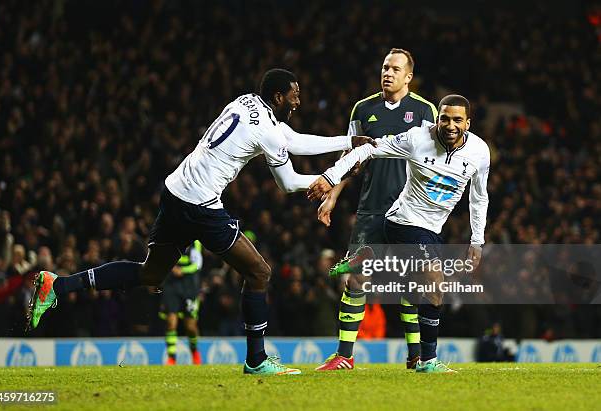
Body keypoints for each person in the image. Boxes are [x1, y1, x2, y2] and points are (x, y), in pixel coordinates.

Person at [27, 68, 373, 375]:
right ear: (278, 96)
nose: (298, 103)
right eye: (294, 97)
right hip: (201, 206)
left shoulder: (246, 102)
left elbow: (293, 141)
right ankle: (256, 359)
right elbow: (287, 182)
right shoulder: (267, 130)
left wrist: (346, 143)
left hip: (175, 190)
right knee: (259, 272)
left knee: (150, 273)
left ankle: (57, 286)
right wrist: (330, 176)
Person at [309, 94, 490, 373]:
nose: (450, 125)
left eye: (457, 120)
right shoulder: (417, 138)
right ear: (437, 119)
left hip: (431, 230)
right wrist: (331, 178)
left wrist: (477, 240)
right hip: (404, 221)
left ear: (468, 122)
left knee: (419, 287)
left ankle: (377, 261)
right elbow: (367, 149)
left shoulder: (479, 152)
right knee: (433, 278)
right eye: (444, 118)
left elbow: (479, 197)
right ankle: (428, 361)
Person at [315, 48, 437, 371]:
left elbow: (433, 160)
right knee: (356, 279)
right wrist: (333, 195)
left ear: (408, 76)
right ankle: (344, 355)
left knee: (413, 283)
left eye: (395, 69)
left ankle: (416, 355)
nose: (388, 73)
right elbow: (349, 157)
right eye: (385, 67)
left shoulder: (425, 110)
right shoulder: (363, 109)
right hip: (371, 209)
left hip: (410, 210)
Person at [160, 241, 203, 365]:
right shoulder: (168, 238)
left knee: (191, 327)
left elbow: (197, 264)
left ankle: (194, 350)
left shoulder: (195, 243)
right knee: (171, 322)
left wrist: (182, 270)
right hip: (171, 285)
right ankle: (171, 358)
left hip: (189, 287)